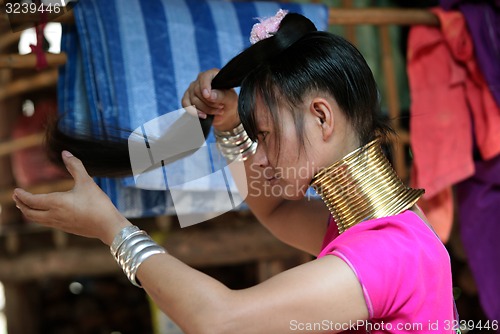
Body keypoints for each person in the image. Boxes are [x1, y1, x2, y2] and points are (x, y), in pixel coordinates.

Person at [12, 11, 458, 333]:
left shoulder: (389, 252)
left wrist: (112, 228)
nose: (259, 159)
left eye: (263, 135)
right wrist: (230, 128)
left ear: (322, 117)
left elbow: (220, 321)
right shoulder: (386, 231)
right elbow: (278, 211)